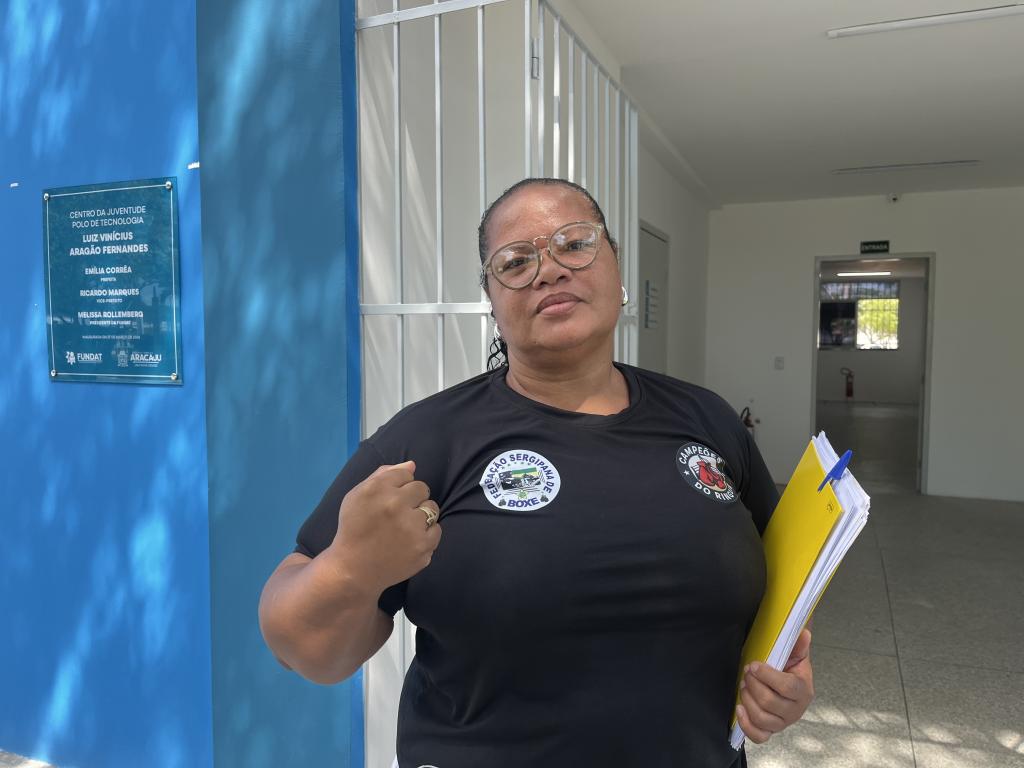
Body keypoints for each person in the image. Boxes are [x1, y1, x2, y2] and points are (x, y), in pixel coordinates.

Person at [258, 178, 815, 767]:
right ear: (492, 301)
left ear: (616, 265)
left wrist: (787, 680)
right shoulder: (430, 440)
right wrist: (351, 569)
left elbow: (785, 584)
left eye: (574, 244)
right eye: (516, 262)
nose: (549, 270)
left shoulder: (707, 419)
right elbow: (300, 647)